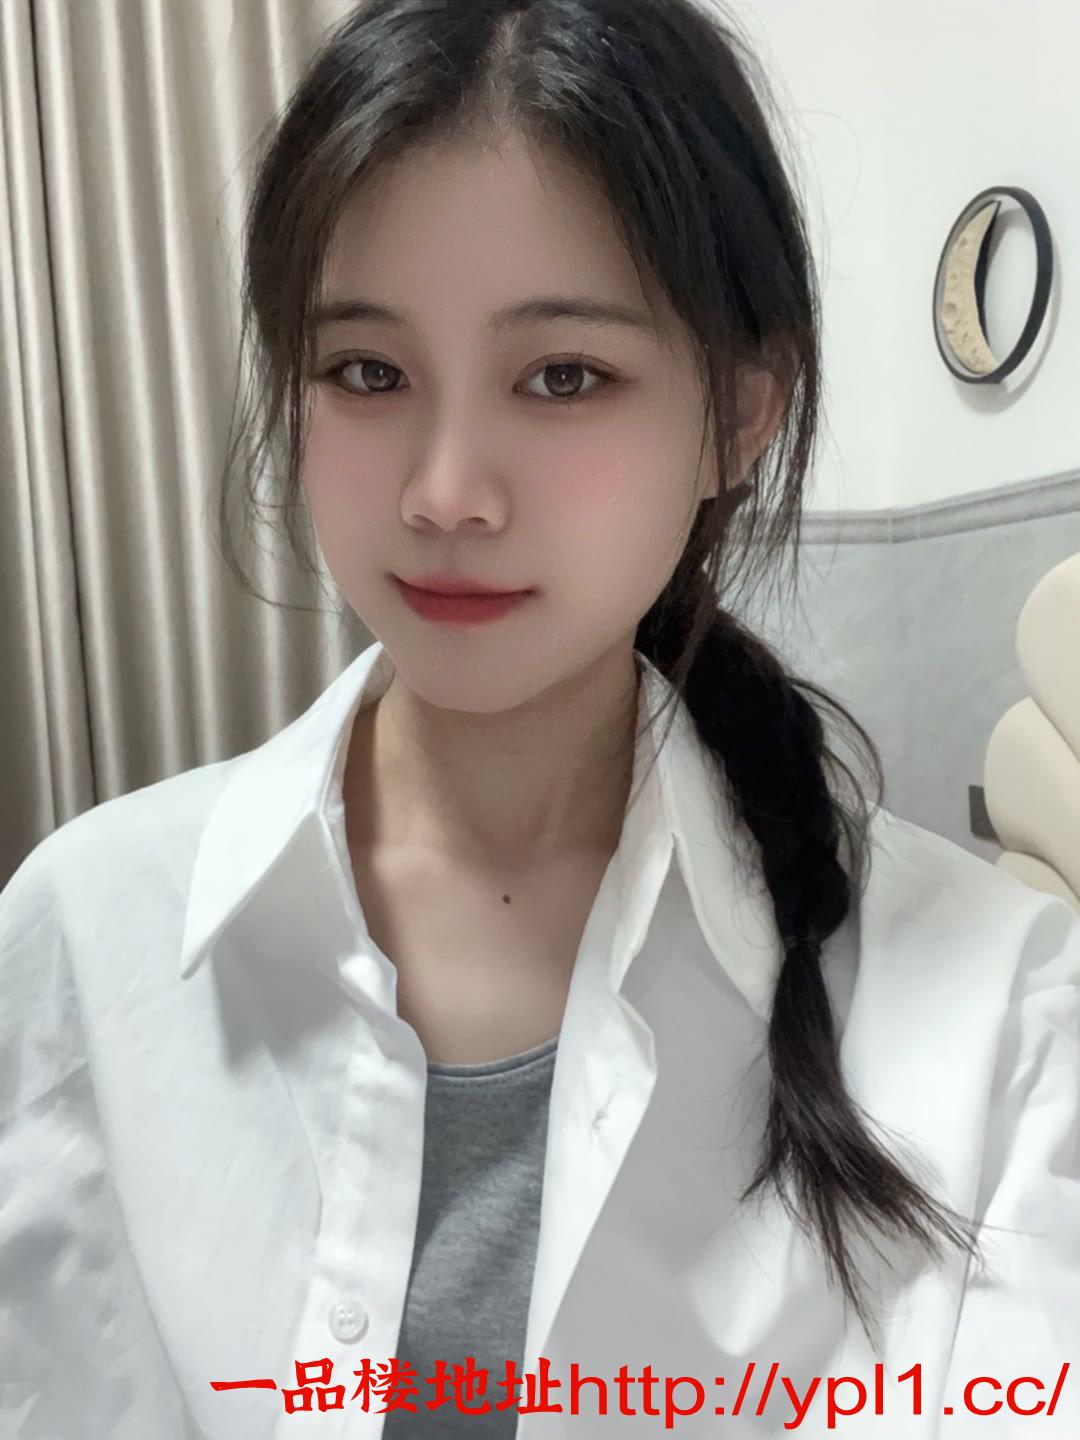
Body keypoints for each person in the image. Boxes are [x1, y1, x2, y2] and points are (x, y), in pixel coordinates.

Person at [2, 0, 1077, 1436]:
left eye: (564, 375)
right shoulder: (82, 942)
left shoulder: (1001, 1021)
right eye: (367, 372)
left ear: (740, 410)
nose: (446, 491)